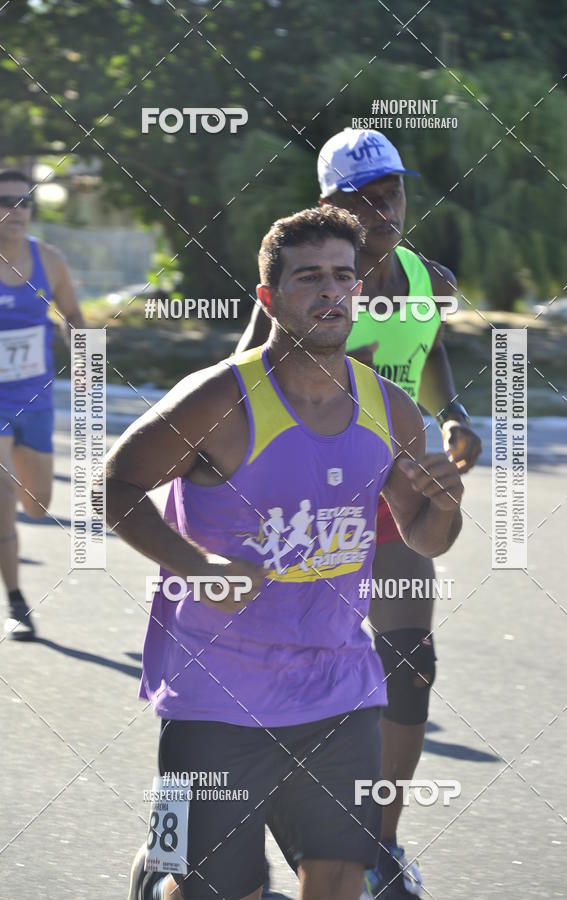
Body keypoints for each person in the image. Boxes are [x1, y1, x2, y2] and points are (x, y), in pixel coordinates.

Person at [105, 205, 465, 900]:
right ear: (269, 298)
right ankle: (164, 867)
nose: (331, 292)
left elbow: (425, 536)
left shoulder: (391, 409)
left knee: (338, 881)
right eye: (309, 279)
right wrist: (198, 567)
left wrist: (445, 506)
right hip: (216, 695)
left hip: (342, 688)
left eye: (343, 276)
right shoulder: (217, 402)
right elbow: (117, 484)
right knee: (212, 888)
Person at [236, 129, 481, 897]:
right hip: (307, 503)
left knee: (410, 669)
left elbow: (427, 345)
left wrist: (454, 414)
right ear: (327, 204)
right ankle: (215, 831)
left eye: (393, 193)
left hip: (394, 499)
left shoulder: (429, 279)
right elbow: (241, 376)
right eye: (364, 198)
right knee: (282, 673)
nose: (385, 210)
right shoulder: (312, 281)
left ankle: (380, 845)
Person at [0, 169, 85, 640]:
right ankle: (16, 602)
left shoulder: (48, 260)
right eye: (6, 200)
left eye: (25, 201)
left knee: (37, 505)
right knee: (3, 497)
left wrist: (81, 343)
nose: (17, 209)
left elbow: (74, 315)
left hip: (35, 398)